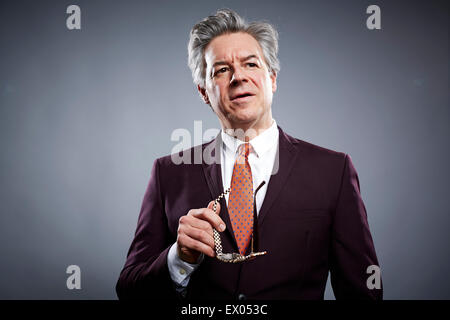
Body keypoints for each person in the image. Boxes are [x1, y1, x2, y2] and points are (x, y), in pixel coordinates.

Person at [116, 8, 382, 300]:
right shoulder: (169, 173)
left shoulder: (334, 171)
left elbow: (364, 292)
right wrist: (179, 258)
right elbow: (130, 290)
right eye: (221, 69)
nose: (238, 77)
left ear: (272, 79)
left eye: (251, 64)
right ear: (204, 92)